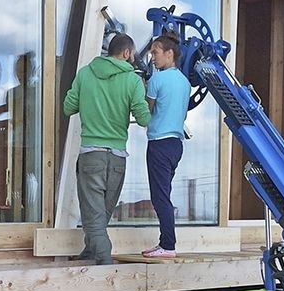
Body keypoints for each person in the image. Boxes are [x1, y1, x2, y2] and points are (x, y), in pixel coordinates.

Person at [63, 32, 150, 265]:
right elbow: (143, 118)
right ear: (127, 53)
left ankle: (101, 257)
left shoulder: (85, 74)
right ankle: (95, 253)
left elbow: (68, 107)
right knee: (100, 213)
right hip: (117, 157)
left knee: (94, 213)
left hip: (91, 155)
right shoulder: (133, 81)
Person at [142, 31, 191, 259]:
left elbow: (146, 111)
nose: (152, 57)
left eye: (156, 53)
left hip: (159, 144)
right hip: (176, 145)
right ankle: (165, 243)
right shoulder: (185, 82)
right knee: (165, 194)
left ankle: (168, 245)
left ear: (169, 53)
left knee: (160, 197)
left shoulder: (157, 80)